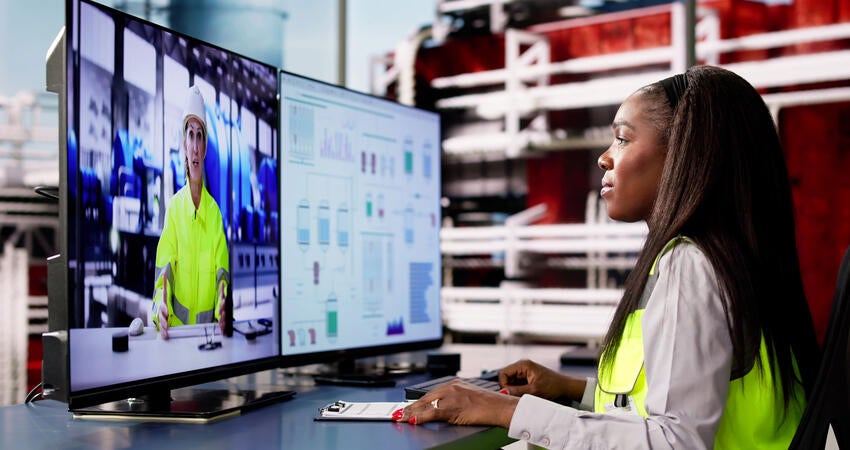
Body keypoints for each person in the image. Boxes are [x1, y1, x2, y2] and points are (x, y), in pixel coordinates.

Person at [396, 65, 821, 448]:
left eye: (622, 138)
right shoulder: (734, 257)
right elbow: (677, 400)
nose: (604, 157)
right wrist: (571, 390)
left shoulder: (690, 263)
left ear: (684, 154)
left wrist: (504, 410)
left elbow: (677, 441)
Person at [152, 85, 229, 340]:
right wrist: (159, 310)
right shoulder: (174, 210)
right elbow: (164, 273)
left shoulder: (215, 215)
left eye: (200, 137)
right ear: (184, 145)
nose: (195, 147)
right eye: (190, 136)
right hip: (177, 339)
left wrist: (223, 304)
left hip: (210, 340)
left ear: (205, 148)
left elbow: (222, 275)